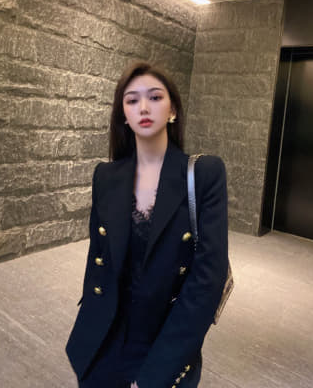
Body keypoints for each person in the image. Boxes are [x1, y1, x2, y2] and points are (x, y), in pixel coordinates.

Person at [66, 61, 229, 388]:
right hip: (103, 340)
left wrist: (156, 374)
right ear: (123, 115)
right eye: (131, 100)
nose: (143, 107)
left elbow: (207, 280)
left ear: (173, 110)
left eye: (155, 97)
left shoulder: (204, 174)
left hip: (163, 340)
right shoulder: (106, 176)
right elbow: (98, 258)